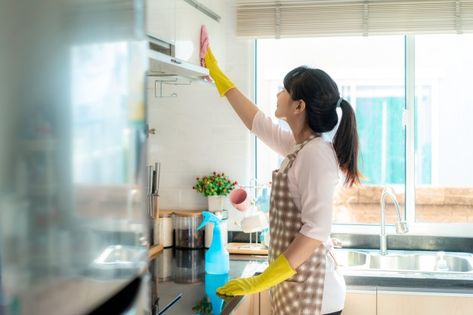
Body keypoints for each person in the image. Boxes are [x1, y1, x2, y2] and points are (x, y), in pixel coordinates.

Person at [202, 46, 360, 315]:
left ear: (299, 106)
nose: (278, 94)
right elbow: (257, 122)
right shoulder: (301, 147)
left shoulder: (316, 154)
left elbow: (315, 231)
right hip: (297, 289)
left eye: (284, 90)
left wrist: (261, 280)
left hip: (314, 296)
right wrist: (220, 78)